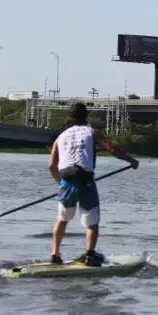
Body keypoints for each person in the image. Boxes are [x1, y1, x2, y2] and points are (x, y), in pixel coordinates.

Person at [47, 102, 139, 266]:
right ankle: (90, 255)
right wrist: (131, 160)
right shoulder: (92, 132)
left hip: (67, 180)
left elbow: (51, 166)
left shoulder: (60, 137)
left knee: (62, 219)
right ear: (86, 116)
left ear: (70, 117)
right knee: (92, 222)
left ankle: (55, 254)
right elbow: (111, 149)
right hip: (85, 179)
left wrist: (61, 184)